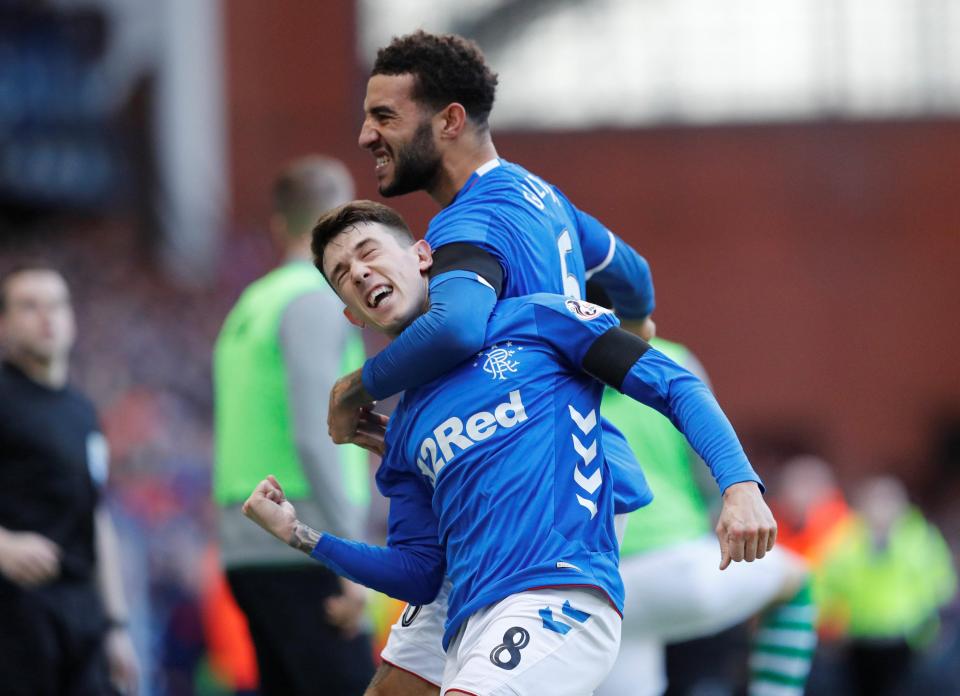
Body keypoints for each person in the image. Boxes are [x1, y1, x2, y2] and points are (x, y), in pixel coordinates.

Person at [243, 200, 776, 696]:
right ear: (353, 316)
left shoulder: (537, 319)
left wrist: (740, 484)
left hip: (559, 598)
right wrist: (301, 534)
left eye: (368, 253)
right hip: (470, 619)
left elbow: (674, 384)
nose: (357, 272)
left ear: (423, 256)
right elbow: (418, 574)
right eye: (341, 275)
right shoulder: (404, 431)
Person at [325, 31, 670, 694]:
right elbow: (635, 276)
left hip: (536, 518)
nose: (367, 135)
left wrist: (352, 387)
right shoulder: (547, 202)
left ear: (450, 120)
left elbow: (457, 328)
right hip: (525, 496)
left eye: (385, 117)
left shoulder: (468, 222)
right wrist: (629, 331)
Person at [212, 156, 374, 695]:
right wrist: (354, 555)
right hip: (304, 541)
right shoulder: (314, 299)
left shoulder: (252, 304)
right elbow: (315, 430)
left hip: (246, 547)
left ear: (279, 225)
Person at [590, 326, 813, 696]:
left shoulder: (547, 361)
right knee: (796, 580)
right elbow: (708, 472)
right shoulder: (669, 358)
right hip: (676, 565)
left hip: (600, 583)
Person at [0, 265, 140, 696]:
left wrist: (116, 625)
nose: (47, 316)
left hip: (81, 614)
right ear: (4, 322)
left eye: (57, 305)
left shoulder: (82, 412)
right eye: (29, 306)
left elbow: (95, 515)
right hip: (15, 615)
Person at [816, 475, 956, 696]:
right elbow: (826, 584)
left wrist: (927, 622)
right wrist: (831, 623)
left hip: (905, 637)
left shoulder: (918, 538)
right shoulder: (847, 539)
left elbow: (940, 584)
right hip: (859, 636)